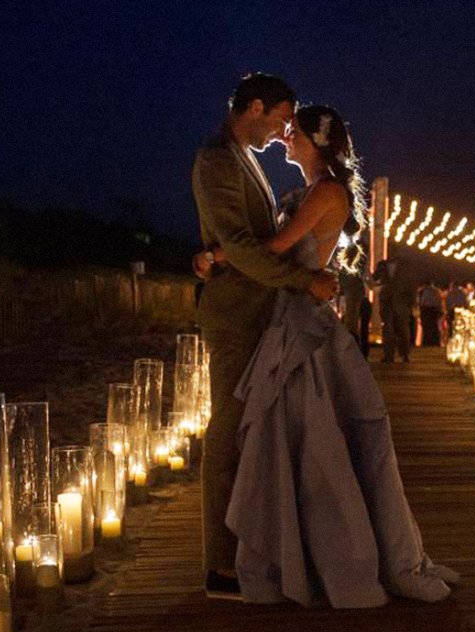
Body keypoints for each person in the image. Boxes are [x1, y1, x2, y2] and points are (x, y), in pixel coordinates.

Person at [196, 105, 457, 607]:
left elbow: (274, 249)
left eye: (293, 134)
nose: (284, 140)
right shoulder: (316, 191)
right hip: (288, 318)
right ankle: (301, 547)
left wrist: (216, 256)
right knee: (296, 439)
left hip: (302, 328)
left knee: (313, 439)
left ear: (316, 142)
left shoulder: (327, 193)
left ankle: (323, 554)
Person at [192, 73, 337, 599]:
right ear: (255, 106)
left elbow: (246, 244)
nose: (282, 132)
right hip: (235, 318)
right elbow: (245, 246)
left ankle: (255, 549)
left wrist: (214, 256)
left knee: (254, 438)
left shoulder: (244, 158)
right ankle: (219, 567)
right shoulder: (216, 159)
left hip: (260, 315)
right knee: (226, 434)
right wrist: (306, 281)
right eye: (280, 118)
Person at [373, 254, 415, 362]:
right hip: (387, 302)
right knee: (387, 329)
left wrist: (411, 301)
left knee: (403, 329)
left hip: (401, 302)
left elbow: (410, 284)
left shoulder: (405, 266)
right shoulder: (382, 265)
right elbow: (374, 278)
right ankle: (388, 355)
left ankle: (404, 354)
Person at [419, 279, 442, 346]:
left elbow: (423, 302)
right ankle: (435, 342)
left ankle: (427, 342)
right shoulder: (436, 291)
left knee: (427, 328)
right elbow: (439, 301)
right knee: (434, 327)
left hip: (426, 310)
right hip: (434, 310)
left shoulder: (425, 291)